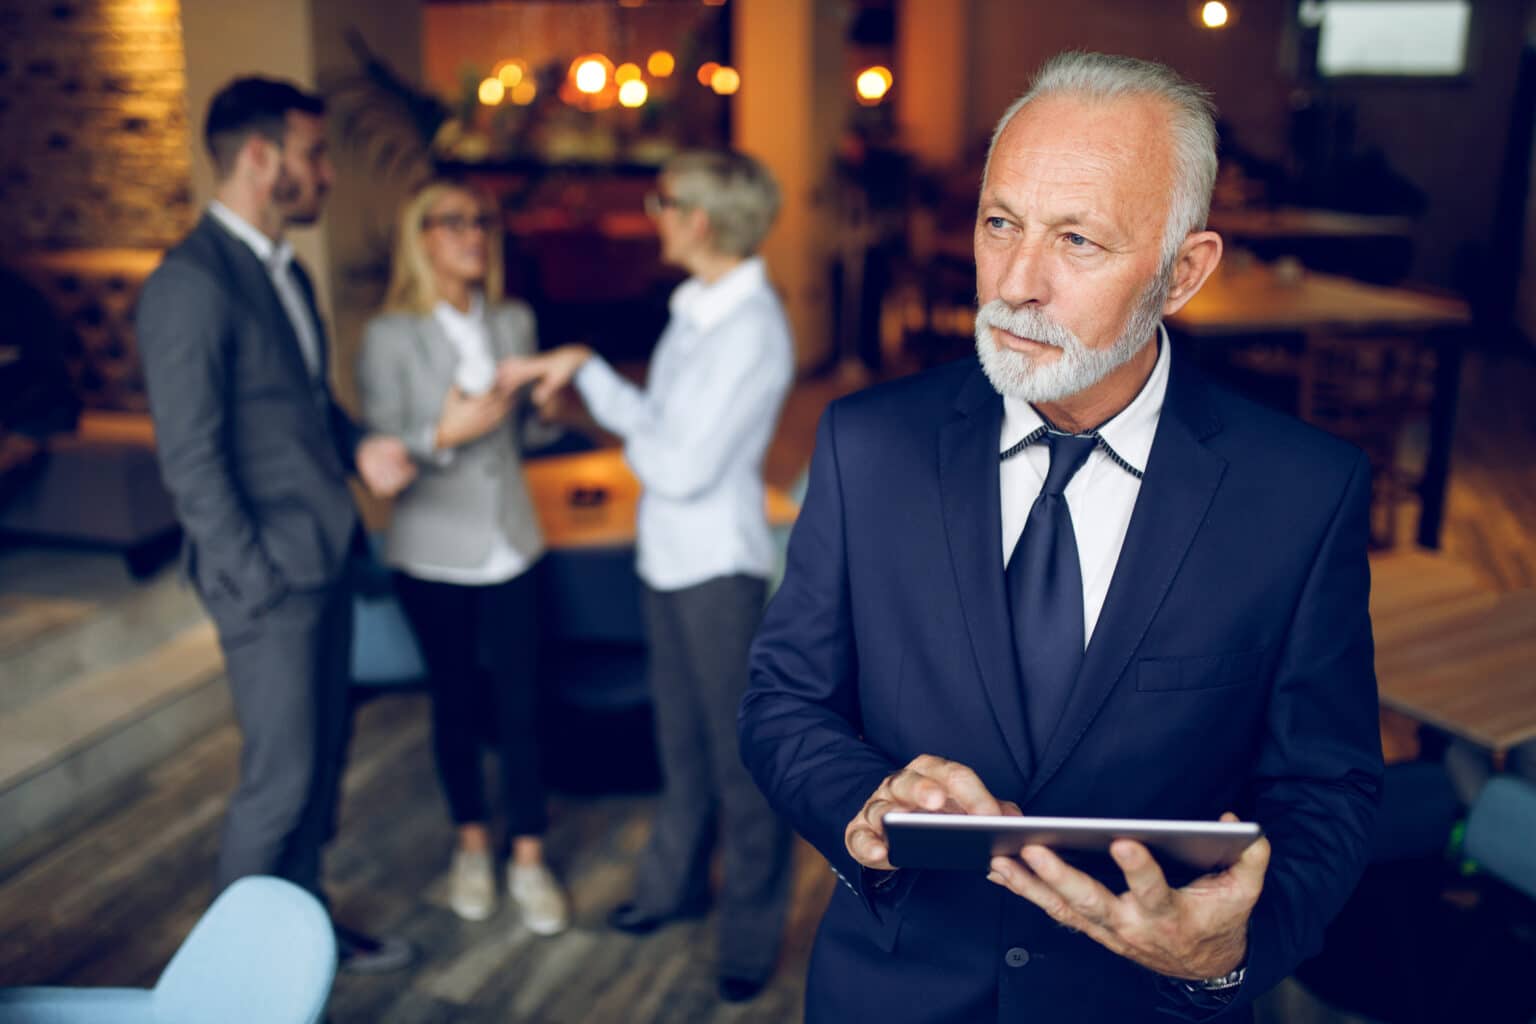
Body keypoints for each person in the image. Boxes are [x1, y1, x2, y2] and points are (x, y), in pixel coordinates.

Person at [739, 52, 1383, 1023]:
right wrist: (863, 800)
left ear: (1184, 272)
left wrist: (1227, 948)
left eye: (1078, 240)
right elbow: (784, 698)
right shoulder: (864, 444)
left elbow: (1326, 789)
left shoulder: (1302, 493)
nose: (1018, 283)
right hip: (896, 991)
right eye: (1001, 223)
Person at [135, 76, 417, 973]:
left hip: (325, 553)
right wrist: (255, 580)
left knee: (322, 767)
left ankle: (303, 936)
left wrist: (360, 442)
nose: (327, 173)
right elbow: (193, 461)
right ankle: (236, 986)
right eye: (314, 154)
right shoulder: (188, 283)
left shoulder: (286, 267)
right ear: (261, 157)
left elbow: (302, 405)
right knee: (278, 786)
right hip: (268, 583)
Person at [505, 149, 796, 1002]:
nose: (652, 214)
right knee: (680, 746)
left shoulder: (752, 331)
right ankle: (670, 889)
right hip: (665, 559)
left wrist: (593, 378)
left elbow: (678, 466)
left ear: (697, 221)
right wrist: (590, 376)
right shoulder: (695, 309)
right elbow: (659, 429)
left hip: (717, 569)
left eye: (660, 202)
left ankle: (747, 934)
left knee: (739, 764)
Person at [356, 179, 569, 934]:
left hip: (513, 542)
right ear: (423, 238)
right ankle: (472, 847)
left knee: (524, 705)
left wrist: (545, 408)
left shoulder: (514, 320)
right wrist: (441, 432)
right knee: (455, 703)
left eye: (482, 221)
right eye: (454, 223)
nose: (474, 234)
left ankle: (530, 858)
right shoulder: (390, 335)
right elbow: (380, 443)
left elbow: (531, 441)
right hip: (432, 549)